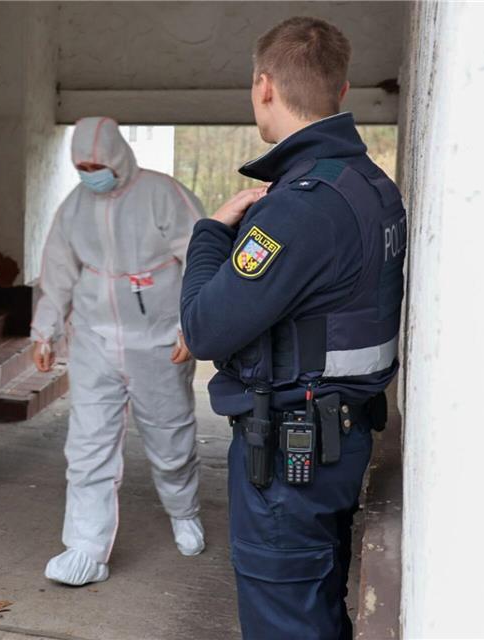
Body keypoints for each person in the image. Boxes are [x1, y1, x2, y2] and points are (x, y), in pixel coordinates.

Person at [180, 17, 406, 639]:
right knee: (318, 609)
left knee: (286, 620)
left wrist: (210, 234)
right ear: (341, 90)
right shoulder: (370, 186)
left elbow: (203, 328)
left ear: (263, 87)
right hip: (340, 435)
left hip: (288, 458)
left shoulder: (299, 206)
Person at [32, 117, 207, 587]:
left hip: (158, 338)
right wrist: (44, 330)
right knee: (88, 445)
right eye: (82, 165)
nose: (91, 173)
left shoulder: (162, 195)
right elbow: (58, 271)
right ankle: (85, 547)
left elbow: (201, 258)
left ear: (118, 156)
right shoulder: (74, 208)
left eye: (97, 163)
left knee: (170, 436)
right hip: (94, 339)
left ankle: (183, 511)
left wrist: (193, 326)